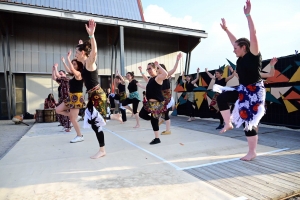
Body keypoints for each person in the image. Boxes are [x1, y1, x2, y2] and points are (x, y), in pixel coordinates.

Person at [217, 0, 267, 161]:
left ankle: (252, 152)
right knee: (221, 95)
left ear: (244, 47)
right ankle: (228, 123)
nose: (233, 49)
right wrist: (226, 29)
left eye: (236, 48)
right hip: (243, 88)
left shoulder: (253, 54)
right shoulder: (240, 57)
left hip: (255, 92)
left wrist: (248, 15)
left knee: (249, 122)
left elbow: (253, 33)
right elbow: (234, 40)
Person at [75, 19, 122, 159]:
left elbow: (94, 52)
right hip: (93, 95)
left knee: (95, 123)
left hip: (98, 95)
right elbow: (87, 52)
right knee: (92, 121)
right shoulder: (84, 64)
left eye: (78, 52)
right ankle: (113, 116)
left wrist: (91, 36)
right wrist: (81, 46)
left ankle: (102, 150)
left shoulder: (89, 63)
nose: (76, 54)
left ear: (83, 53)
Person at [139, 53, 182, 135]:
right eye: (157, 68)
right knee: (164, 114)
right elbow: (146, 80)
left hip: (166, 97)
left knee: (165, 114)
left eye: (158, 68)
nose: (158, 69)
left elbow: (174, 69)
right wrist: (142, 72)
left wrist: (177, 60)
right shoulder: (155, 78)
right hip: (160, 96)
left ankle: (167, 129)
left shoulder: (164, 75)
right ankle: (160, 123)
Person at [56, 50, 85, 143]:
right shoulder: (74, 75)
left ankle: (80, 135)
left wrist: (68, 58)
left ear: (78, 66)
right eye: (72, 64)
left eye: (74, 64)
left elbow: (72, 70)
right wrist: (64, 62)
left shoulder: (79, 75)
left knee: (72, 119)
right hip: (71, 97)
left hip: (77, 97)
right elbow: (69, 70)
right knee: (58, 110)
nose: (72, 66)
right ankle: (77, 117)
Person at [138, 61, 168, 144]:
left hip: (157, 104)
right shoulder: (151, 79)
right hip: (149, 104)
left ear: (155, 69)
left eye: (150, 68)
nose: (148, 70)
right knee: (141, 114)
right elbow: (145, 78)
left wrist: (158, 65)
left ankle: (157, 138)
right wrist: (141, 71)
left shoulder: (158, 78)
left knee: (153, 121)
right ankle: (156, 119)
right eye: (147, 69)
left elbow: (165, 74)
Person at [52, 67, 72, 132]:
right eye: (59, 74)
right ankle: (64, 125)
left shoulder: (66, 79)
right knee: (58, 112)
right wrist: (53, 70)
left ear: (65, 74)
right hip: (61, 99)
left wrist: (56, 68)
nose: (60, 75)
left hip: (67, 99)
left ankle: (68, 127)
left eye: (61, 74)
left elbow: (57, 76)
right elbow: (54, 78)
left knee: (66, 112)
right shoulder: (61, 82)